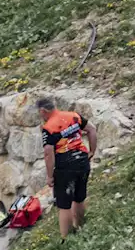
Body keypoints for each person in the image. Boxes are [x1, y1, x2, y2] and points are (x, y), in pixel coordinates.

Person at [38, 97, 98, 240]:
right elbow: (92, 129)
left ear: (43, 111)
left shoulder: (49, 127)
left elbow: (48, 152)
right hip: (82, 161)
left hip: (65, 166)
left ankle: (67, 239)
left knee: (64, 205)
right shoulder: (73, 116)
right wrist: (92, 151)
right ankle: (81, 227)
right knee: (79, 197)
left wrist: (50, 176)